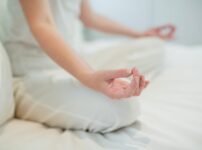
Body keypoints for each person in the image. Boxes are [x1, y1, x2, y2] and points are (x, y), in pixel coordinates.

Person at [2, 0, 175, 133]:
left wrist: (139, 34)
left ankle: (87, 77)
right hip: (33, 72)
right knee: (124, 108)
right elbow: (42, 22)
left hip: (75, 59)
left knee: (153, 45)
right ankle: (26, 97)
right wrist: (87, 76)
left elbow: (90, 17)